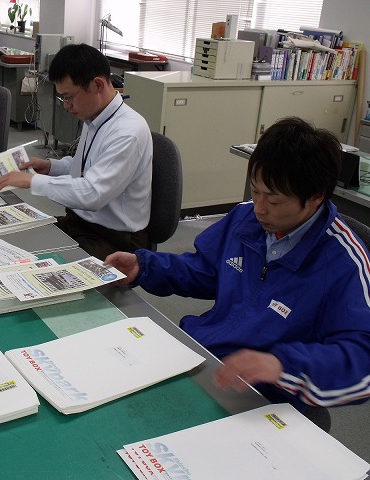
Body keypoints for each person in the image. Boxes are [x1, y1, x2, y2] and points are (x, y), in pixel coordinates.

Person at [105, 116, 370, 411]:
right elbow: (206, 269)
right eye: (255, 191)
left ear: (315, 197)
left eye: (274, 200)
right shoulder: (245, 219)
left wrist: (283, 366)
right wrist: (146, 266)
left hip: (262, 394)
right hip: (203, 359)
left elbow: (362, 358)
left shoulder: (343, 261)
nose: (259, 208)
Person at [0, 43, 152, 260]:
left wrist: (33, 181)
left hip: (115, 239)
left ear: (97, 85)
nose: (66, 105)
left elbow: (92, 193)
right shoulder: (95, 117)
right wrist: (51, 167)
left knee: (37, 266)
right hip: (80, 222)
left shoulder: (128, 132)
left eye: (68, 97)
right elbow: (85, 168)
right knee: (13, 242)